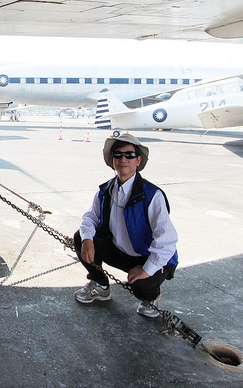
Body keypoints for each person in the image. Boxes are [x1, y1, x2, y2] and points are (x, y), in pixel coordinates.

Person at [73, 134, 178, 318]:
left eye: (129, 155)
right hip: (120, 250)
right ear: (112, 160)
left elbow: (167, 241)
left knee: (140, 285)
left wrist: (146, 269)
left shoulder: (152, 195)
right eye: (118, 154)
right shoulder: (105, 190)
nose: (123, 159)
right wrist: (88, 239)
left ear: (138, 160)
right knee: (80, 237)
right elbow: (90, 217)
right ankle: (101, 286)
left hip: (147, 257)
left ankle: (152, 296)